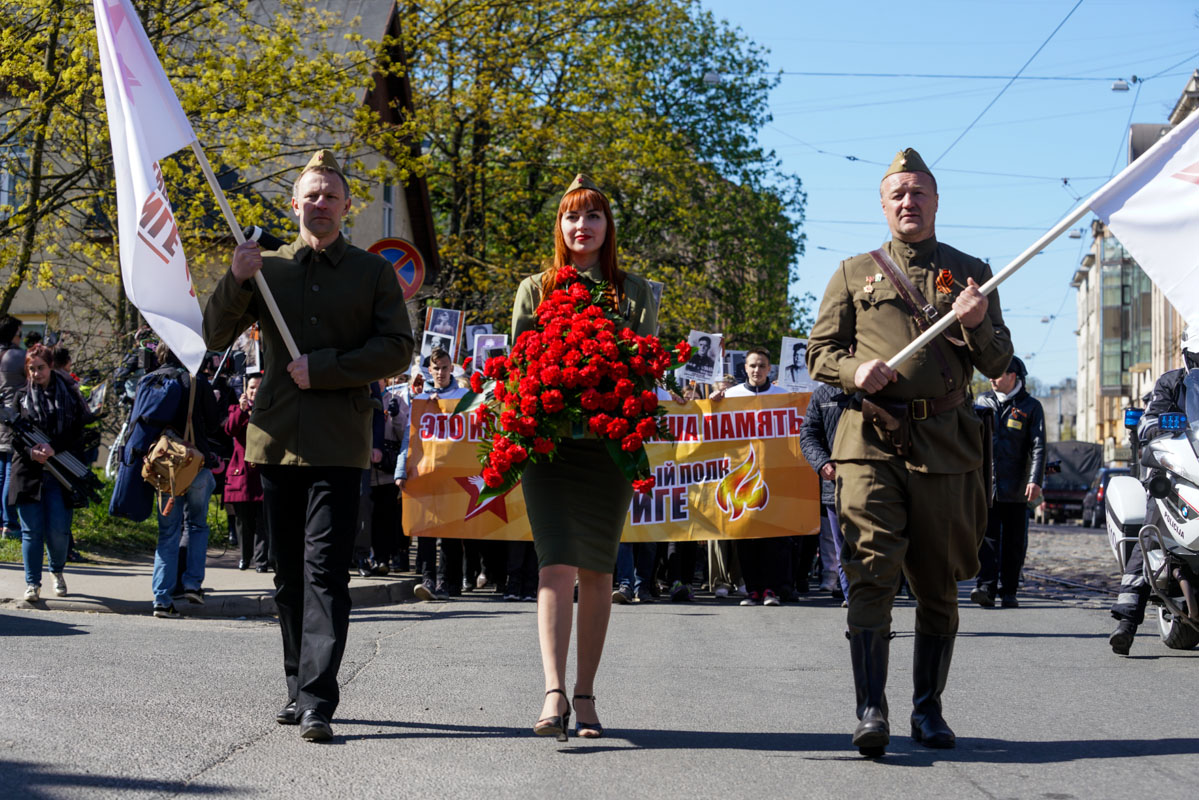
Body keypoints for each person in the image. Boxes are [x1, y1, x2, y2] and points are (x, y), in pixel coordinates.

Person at [807, 148, 1013, 756]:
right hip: (869, 444)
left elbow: (999, 364)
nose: (908, 203)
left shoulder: (972, 273)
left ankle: (929, 710)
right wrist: (853, 369)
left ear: (936, 202)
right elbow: (820, 352)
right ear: (883, 204)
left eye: (918, 193)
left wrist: (976, 323)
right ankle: (871, 709)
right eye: (897, 194)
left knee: (938, 581)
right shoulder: (851, 273)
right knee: (870, 573)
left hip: (946, 448)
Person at [203, 149, 414, 742]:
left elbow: (399, 347)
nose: (320, 204)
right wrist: (235, 277)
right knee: (288, 576)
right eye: (311, 196)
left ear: (347, 207)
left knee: (325, 572)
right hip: (275, 440)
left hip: (340, 444)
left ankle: (319, 699)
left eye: (331, 196)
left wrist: (323, 368)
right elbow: (213, 335)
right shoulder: (267, 267)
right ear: (294, 205)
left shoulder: (372, 274)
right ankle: (297, 685)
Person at [512, 173, 658, 741]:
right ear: (561, 226)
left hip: (608, 447)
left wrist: (608, 371)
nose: (582, 226)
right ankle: (553, 692)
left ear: (607, 227)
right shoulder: (536, 288)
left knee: (598, 569)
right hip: (548, 447)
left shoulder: (635, 291)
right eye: (572, 217)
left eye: (592, 216)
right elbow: (521, 369)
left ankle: (586, 694)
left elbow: (645, 365)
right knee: (554, 566)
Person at [1109, 328, 1199, 654]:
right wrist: (1167, 421)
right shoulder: (1171, 383)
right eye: (1198, 358)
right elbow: (1147, 424)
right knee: (1151, 529)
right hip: (1169, 470)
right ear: (1188, 355)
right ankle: (1127, 622)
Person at [5, 344, 91, 601]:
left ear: (50, 366)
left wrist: (54, 448)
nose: (35, 373)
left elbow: (77, 433)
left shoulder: (70, 396)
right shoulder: (20, 397)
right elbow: (13, 436)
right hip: (29, 473)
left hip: (62, 473)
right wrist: (32, 452)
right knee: (31, 531)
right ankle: (32, 584)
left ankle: (57, 570)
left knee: (58, 531)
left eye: (40, 368)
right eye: (31, 369)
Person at [145, 345, 220, 618]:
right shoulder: (196, 380)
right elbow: (213, 424)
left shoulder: (153, 380)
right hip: (195, 464)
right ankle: (191, 584)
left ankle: (161, 599)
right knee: (197, 525)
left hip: (166, 469)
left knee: (168, 532)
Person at [712, 348, 792, 605]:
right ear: (744, 368)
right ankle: (753, 589)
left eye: (761, 366)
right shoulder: (731, 396)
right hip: (741, 476)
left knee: (773, 537)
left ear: (770, 369)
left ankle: (771, 589)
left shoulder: (784, 396)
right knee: (746, 535)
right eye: (752, 366)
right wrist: (713, 403)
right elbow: (713, 429)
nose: (756, 370)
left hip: (775, 475)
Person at [972, 356, 1045, 609]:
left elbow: (1039, 447)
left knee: (1014, 541)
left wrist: (1035, 480)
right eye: (989, 374)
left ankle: (1009, 590)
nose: (991, 379)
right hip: (986, 486)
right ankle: (985, 587)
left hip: (1017, 486)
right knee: (986, 539)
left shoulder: (1031, 407)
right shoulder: (982, 402)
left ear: (1014, 376)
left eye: (998, 374)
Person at [395, 346, 468, 600]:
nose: (440, 372)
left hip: (453, 475)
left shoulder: (463, 396)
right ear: (429, 370)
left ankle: (451, 582)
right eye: (436, 368)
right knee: (425, 529)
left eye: (445, 367)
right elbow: (409, 437)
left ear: (452, 368)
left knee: (451, 531)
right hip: (424, 473)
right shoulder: (420, 400)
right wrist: (401, 470)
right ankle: (427, 578)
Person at [799, 380, 851, 602]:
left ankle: (873, 609)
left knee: (872, 550)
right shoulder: (822, 393)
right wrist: (821, 463)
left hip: (876, 485)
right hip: (836, 486)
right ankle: (858, 612)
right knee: (845, 553)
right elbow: (808, 434)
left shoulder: (876, 386)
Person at [225, 374, 268, 572]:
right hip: (241, 471)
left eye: (258, 387)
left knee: (262, 519)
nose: (254, 391)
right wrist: (242, 410)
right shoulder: (236, 409)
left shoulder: (270, 408)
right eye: (251, 387)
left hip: (263, 470)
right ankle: (245, 556)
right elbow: (230, 429)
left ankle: (261, 560)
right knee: (243, 520)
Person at [0, 315, 26, 540]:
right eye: (20, 334)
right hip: (10, 420)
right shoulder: (17, 357)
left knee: (0, 473)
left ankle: (3, 522)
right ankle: (10, 522)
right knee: (10, 470)